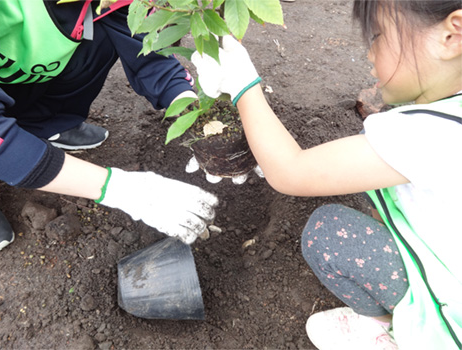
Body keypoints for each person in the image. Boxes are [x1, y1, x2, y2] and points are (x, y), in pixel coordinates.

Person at [191, 0, 462, 349]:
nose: (369, 54)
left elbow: (291, 171)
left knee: (329, 233)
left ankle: (397, 331)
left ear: (452, 34)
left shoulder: (430, 136)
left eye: (377, 36)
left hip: (452, 319)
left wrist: (243, 84)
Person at [0, 0, 218, 256]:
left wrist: (193, 116)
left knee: (105, 33)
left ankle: (41, 123)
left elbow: (149, 52)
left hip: (13, 74)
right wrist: (118, 189)